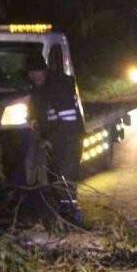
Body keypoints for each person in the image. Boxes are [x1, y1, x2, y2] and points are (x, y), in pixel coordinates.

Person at [28, 66, 84, 226]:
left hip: (68, 139)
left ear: (44, 71)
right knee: (56, 176)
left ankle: (72, 214)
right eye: (32, 73)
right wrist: (33, 120)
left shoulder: (60, 87)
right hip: (56, 139)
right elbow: (39, 110)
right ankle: (62, 212)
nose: (34, 75)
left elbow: (67, 122)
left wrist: (50, 140)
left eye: (36, 71)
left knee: (65, 174)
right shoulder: (40, 88)